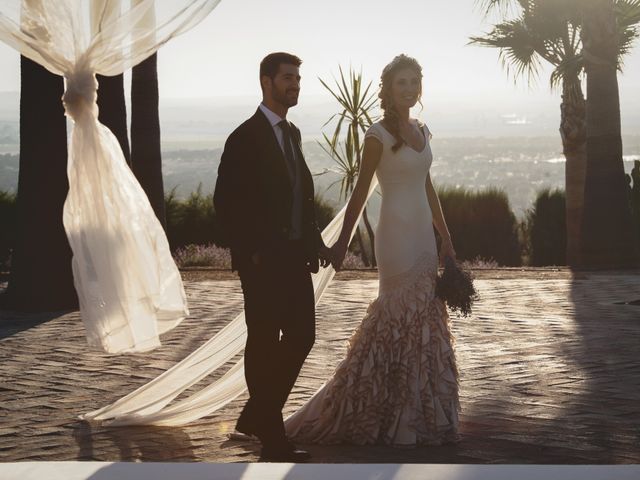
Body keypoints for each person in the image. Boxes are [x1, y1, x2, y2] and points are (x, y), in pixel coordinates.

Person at [284, 54, 460, 445]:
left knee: (426, 321)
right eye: (402, 82)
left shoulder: (424, 131)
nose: (410, 89)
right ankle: (377, 412)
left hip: (423, 239)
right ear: (388, 88)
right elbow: (360, 192)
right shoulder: (376, 135)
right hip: (395, 238)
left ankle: (418, 416)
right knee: (396, 318)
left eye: (415, 82)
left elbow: (427, 187)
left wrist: (445, 236)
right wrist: (342, 245)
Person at [213, 52, 333, 462]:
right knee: (263, 341)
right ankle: (274, 439)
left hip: (295, 259)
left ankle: (258, 413)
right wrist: (253, 254)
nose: (295, 84)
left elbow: (300, 195)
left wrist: (313, 240)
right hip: (263, 264)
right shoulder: (244, 137)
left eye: (298, 78)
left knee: (302, 336)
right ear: (266, 81)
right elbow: (226, 203)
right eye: (287, 78)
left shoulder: (293, 133)